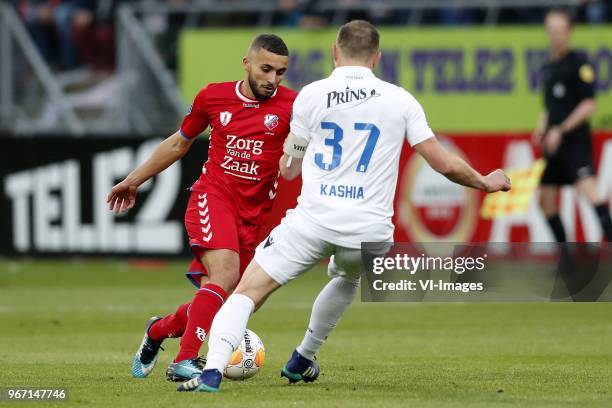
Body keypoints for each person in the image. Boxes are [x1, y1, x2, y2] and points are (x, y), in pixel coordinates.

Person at [177, 20, 511, 393]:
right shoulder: (401, 100)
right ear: (377, 57)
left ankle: (212, 371)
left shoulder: (312, 95)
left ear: (335, 53)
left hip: (313, 222)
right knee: (348, 276)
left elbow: (290, 169)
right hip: (370, 231)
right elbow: (443, 163)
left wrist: (288, 157)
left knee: (246, 292)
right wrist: (484, 181)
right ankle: (303, 357)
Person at [107, 34, 297, 382]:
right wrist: (134, 179)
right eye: (266, 69)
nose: (272, 79)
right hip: (213, 196)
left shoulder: (293, 106)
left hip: (254, 214)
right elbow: (180, 142)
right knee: (223, 276)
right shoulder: (213, 96)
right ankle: (186, 359)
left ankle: (157, 331)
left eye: (280, 72)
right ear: (247, 63)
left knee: (234, 302)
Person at [533, 8, 612, 242]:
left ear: (569, 32)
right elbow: (550, 106)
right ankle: (566, 261)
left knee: (591, 192)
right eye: (551, 31)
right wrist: (542, 126)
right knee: (545, 201)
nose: (555, 36)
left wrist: (561, 129)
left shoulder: (579, 64)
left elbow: (589, 104)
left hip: (574, 141)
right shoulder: (549, 67)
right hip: (554, 147)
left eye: (560, 30)